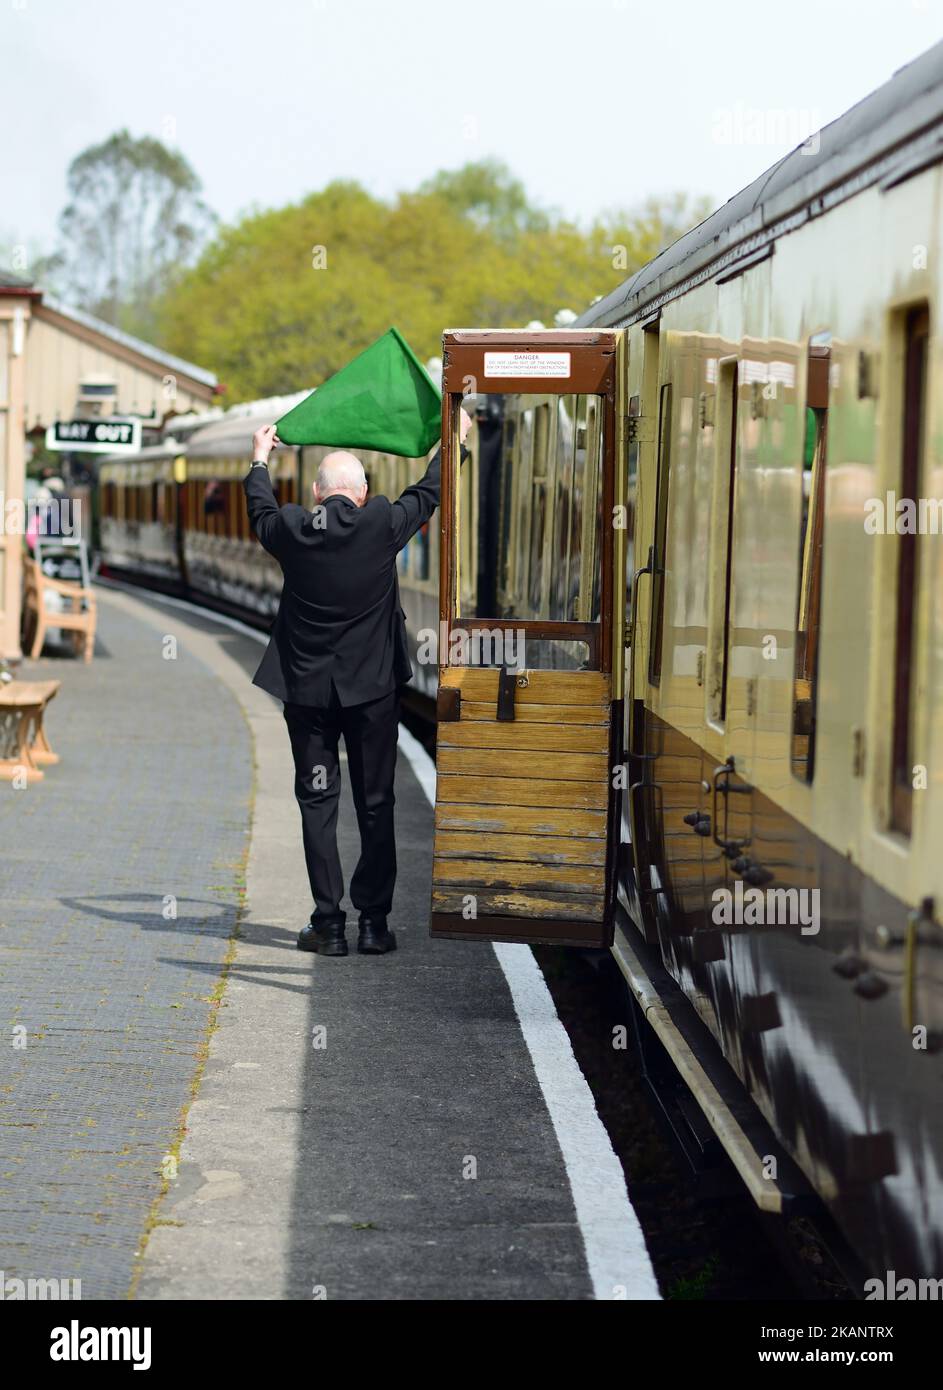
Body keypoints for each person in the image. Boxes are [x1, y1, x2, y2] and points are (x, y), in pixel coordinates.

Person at [244, 414, 471, 957]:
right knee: (375, 801)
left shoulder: (294, 529)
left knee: (318, 801)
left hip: (308, 696)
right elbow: (430, 492)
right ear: (363, 494)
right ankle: (373, 923)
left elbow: (260, 510)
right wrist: (455, 440)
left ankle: (328, 924)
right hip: (371, 695)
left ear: (317, 494)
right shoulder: (382, 524)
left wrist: (259, 458)